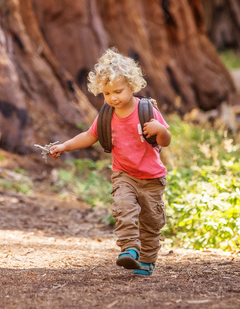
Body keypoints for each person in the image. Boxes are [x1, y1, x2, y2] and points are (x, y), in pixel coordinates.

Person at [49, 48, 171, 276]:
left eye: (118, 91)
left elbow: (165, 140)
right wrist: (65, 146)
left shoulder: (146, 110)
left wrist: (160, 129)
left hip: (152, 178)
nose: (112, 97)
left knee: (151, 224)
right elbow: (89, 136)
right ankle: (129, 249)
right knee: (124, 210)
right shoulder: (107, 115)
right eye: (106, 93)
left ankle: (147, 261)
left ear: (132, 86)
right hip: (124, 175)